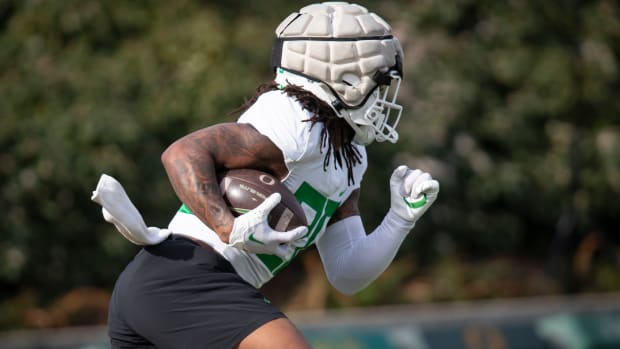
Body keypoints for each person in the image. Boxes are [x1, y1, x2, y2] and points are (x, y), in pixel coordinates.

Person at [91, 2, 439, 348]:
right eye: (377, 85)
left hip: (172, 287)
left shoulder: (348, 154)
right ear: (342, 77)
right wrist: (229, 226)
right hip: (182, 278)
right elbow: (182, 153)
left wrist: (399, 219)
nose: (382, 100)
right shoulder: (295, 119)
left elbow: (346, 274)